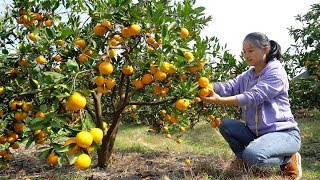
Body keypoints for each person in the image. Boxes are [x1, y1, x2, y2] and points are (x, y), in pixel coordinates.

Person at [200, 32, 302, 179]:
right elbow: (228, 86)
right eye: (244, 52)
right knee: (226, 125)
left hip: (283, 134)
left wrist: (220, 101)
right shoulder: (248, 75)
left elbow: (254, 96)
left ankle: (288, 158)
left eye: (251, 50)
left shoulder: (276, 72)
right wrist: (206, 86)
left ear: (266, 49)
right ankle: (250, 163)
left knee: (253, 155)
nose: (246, 55)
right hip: (257, 134)